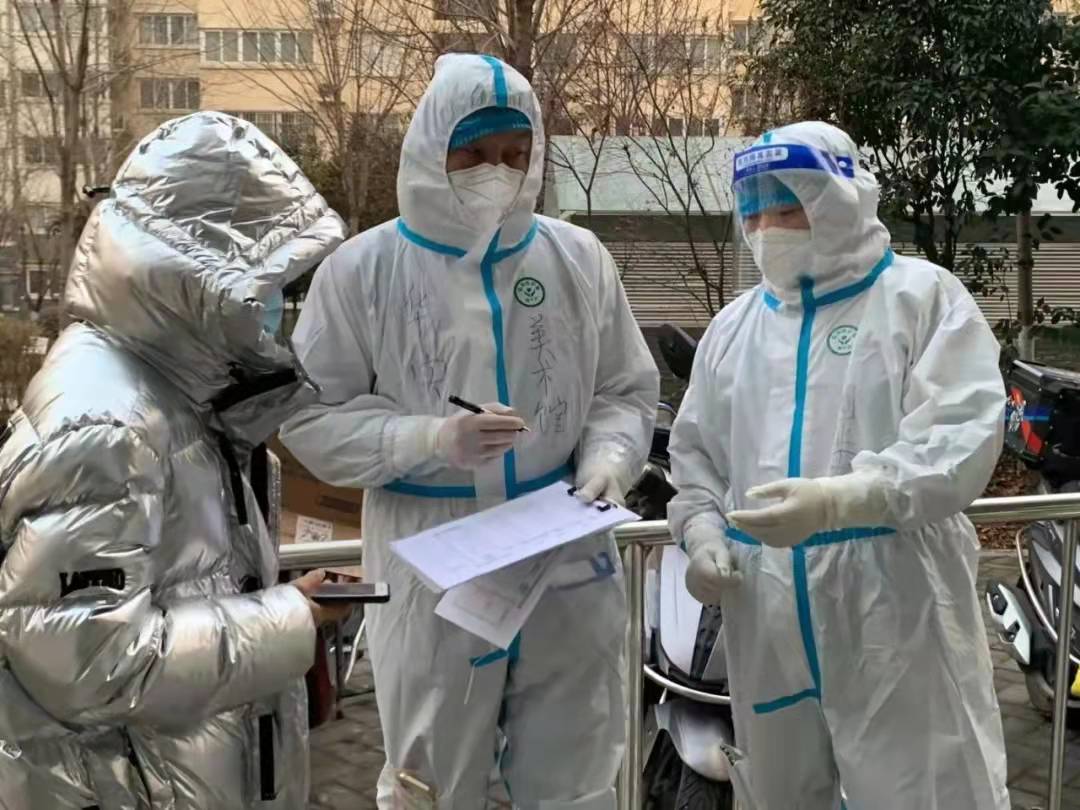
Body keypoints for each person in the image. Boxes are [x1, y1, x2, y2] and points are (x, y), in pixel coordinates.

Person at [280, 53, 659, 809]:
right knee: (431, 777)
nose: (498, 172)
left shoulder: (577, 258)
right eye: (475, 153)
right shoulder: (362, 271)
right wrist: (428, 440)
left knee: (576, 769)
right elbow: (310, 418)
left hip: (560, 542)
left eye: (516, 155)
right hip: (433, 551)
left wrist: (610, 460)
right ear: (432, 148)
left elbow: (622, 388)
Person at [0, 112, 350, 810]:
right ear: (197, 276)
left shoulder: (173, 391)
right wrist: (293, 618)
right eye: (266, 280)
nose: (274, 305)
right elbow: (93, 661)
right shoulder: (105, 419)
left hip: (179, 772)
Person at [669, 121, 1009, 809]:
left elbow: (962, 434)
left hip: (894, 602)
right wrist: (700, 533)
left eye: (786, 207)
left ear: (838, 198)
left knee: (927, 787)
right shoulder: (734, 329)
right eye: (754, 211)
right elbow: (696, 453)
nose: (767, 228)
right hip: (763, 611)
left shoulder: (920, 298)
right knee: (780, 791)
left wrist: (843, 500)